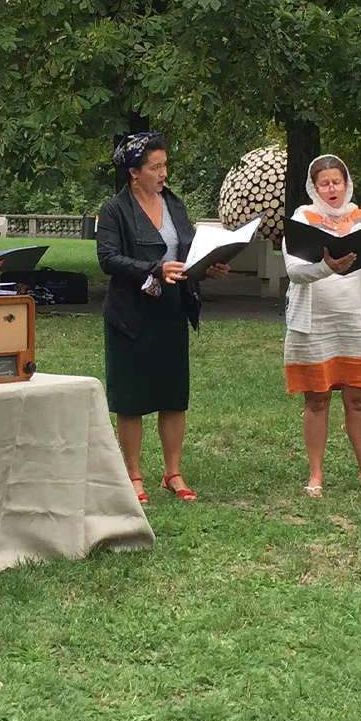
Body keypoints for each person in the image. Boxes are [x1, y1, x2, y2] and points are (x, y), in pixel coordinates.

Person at [96, 132, 229, 503]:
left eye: (165, 165)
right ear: (133, 172)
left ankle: (173, 472)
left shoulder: (175, 204)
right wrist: (153, 268)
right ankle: (133, 475)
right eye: (155, 167)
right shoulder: (114, 210)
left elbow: (186, 253)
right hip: (130, 314)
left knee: (173, 395)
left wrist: (209, 267)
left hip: (171, 309)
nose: (163, 173)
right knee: (132, 397)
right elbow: (107, 259)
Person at [282, 155, 361, 497]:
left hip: (353, 321)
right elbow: (294, 270)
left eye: (337, 181)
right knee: (317, 399)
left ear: (347, 183)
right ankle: (315, 475)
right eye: (324, 183)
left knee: (358, 399)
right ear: (314, 187)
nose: (332, 189)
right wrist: (328, 266)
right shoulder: (303, 218)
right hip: (313, 322)